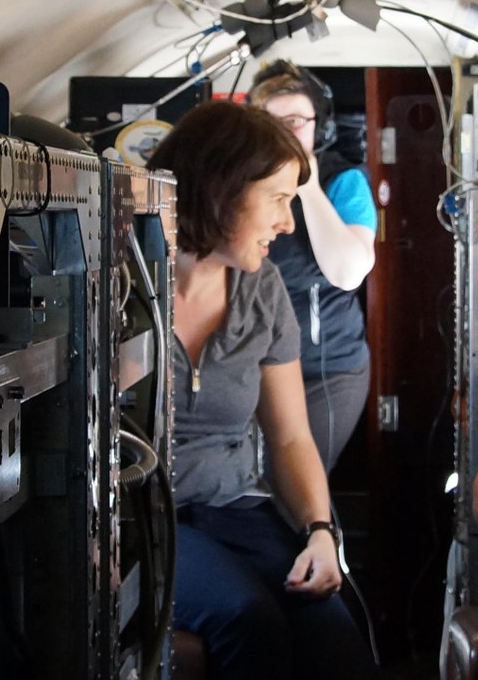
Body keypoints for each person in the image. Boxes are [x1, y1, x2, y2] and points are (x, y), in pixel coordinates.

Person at [147, 101, 377, 680]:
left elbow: (292, 436)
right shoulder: (123, 279)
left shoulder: (262, 289)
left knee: (333, 630)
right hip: (140, 515)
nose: (288, 223)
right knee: (246, 617)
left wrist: (320, 533)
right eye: (278, 199)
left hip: (231, 504)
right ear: (223, 191)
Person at [247, 61, 379, 473]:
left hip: (328, 368)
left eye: (296, 121)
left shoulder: (345, 182)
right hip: (254, 362)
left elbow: (348, 272)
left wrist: (308, 188)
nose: (284, 133)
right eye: (271, 122)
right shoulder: (241, 183)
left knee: (301, 479)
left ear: (318, 128)